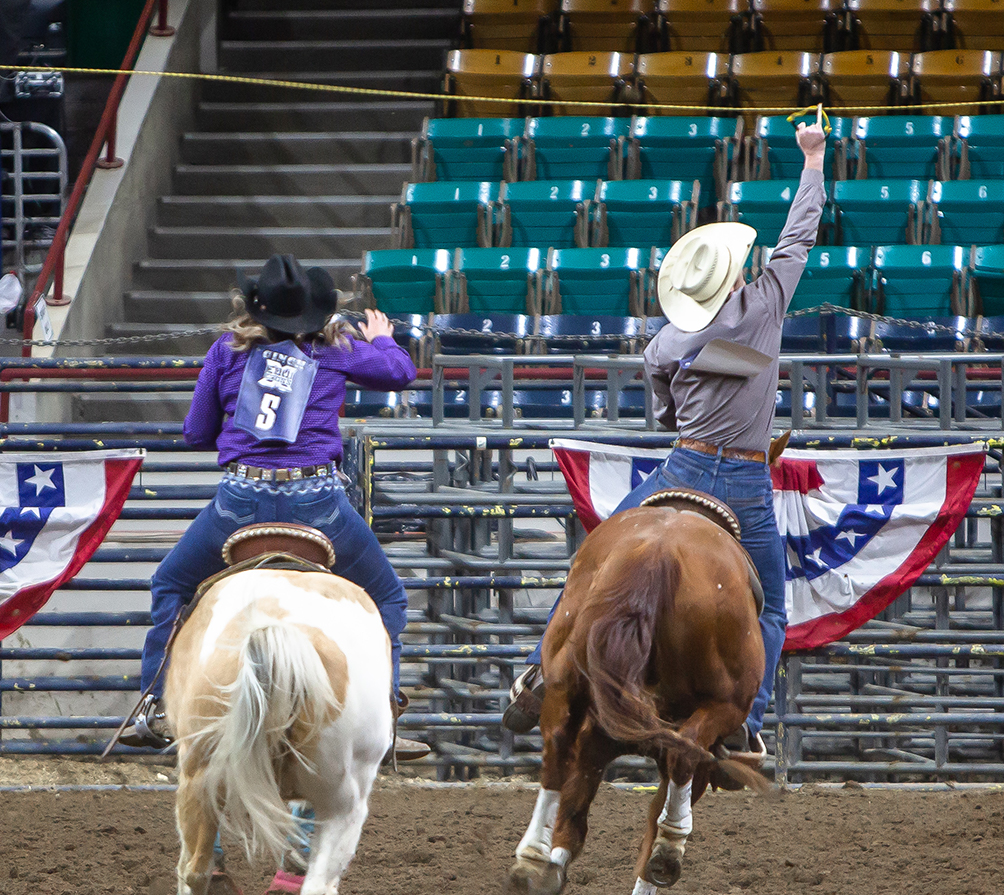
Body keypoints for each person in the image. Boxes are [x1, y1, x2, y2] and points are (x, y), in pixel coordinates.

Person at [503, 121, 830, 765]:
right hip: (743, 480)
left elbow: (663, 411)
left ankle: (544, 671)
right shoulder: (765, 306)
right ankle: (746, 720)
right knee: (770, 607)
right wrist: (813, 159)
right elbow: (799, 236)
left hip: (682, 463)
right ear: (736, 274)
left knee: (592, 568)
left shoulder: (667, 342)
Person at [119, 254, 430, 761]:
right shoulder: (333, 348)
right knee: (389, 597)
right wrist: (381, 337)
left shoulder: (226, 351)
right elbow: (399, 373)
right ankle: (385, 714)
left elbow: (196, 432)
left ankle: (154, 707)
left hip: (239, 501)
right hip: (318, 503)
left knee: (171, 584)